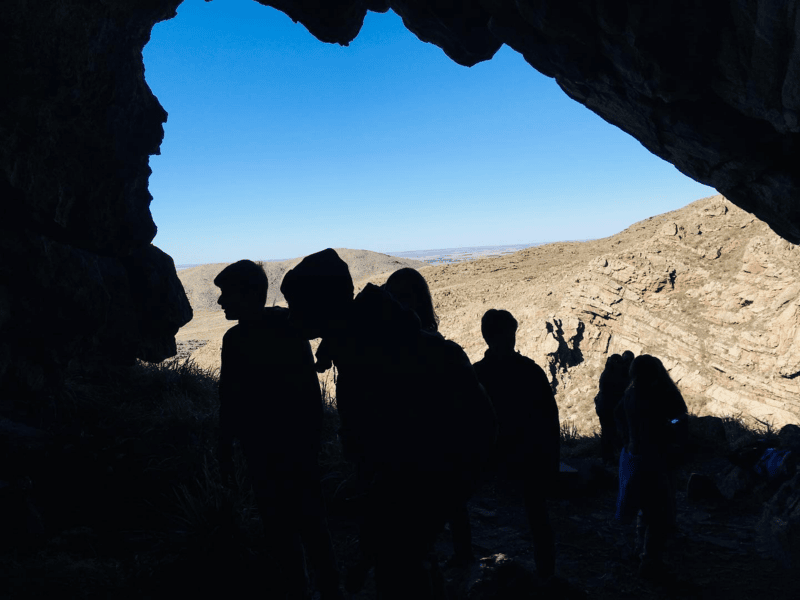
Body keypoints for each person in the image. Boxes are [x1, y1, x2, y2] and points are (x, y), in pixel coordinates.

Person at [280, 249, 495, 600]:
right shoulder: (370, 333)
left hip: (415, 482)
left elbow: (392, 437)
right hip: (420, 479)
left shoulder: (373, 348)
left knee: (403, 569)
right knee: (410, 562)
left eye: (296, 304)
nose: (292, 315)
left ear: (321, 305)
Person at [214, 260, 341, 600]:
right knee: (313, 524)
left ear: (248, 294)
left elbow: (230, 401)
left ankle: (301, 590)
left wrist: (225, 449)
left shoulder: (237, 339)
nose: (220, 302)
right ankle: (331, 590)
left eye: (226, 293)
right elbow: (309, 394)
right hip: (299, 448)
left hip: (263, 452)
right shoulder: (290, 325)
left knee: (280, 528)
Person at [384, 267, 478, 568]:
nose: (399, 304)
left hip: (435, 443)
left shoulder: (432, 346)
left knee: (442, 508)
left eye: (404, 297)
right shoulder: (419, 343)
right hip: (420, 445)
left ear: (418, 300)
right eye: (393, 298)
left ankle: (457, 561)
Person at [473, 309, 560, 583]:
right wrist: (552, 462)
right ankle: (545, 574)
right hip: (528, 458)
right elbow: (549, 420)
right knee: (537, 517)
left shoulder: (476, 374)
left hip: (488, 462)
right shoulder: (531, 372)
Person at [614, 354, 688, 581]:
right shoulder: (659, 395)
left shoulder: (630, 394)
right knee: (660, 512)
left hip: (634, 456)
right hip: (655, 457)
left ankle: (640, 550)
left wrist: (627, 439)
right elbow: (680, 416)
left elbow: (617, 417)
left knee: (644, 506)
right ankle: (650, 561)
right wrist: (670, 425)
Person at [594, 353, 629, 465]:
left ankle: (607, 458)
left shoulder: (607, 372)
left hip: (604, 407)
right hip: (609, 409)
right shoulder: (614, 375)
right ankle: (610, 458)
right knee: (610, 433)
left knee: (607, 433)